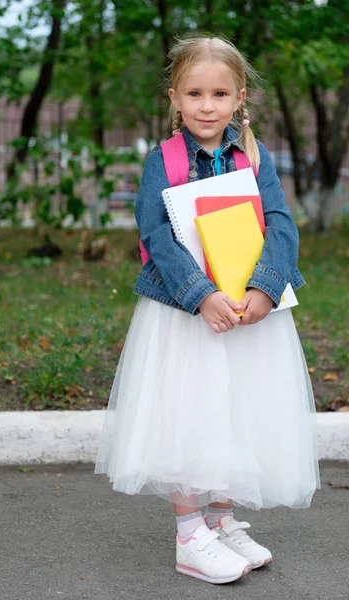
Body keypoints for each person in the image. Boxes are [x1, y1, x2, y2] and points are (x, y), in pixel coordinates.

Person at [95, 35, 320, 586]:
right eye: (194, 93)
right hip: (187, 315)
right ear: (175, 97)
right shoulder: (162, 161)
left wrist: (267, 286)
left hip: (247, 309)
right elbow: (156, 236)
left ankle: (220, 520)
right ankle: (190, 533)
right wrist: (201, 295)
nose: (206, 105)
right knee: (189, 414)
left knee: (235, 410)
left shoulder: (254, 157)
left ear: (239, 98)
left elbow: (279, 222)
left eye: (219, 94)